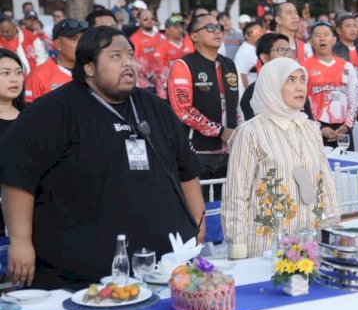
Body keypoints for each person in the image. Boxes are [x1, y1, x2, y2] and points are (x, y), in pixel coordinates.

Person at [1, 27, 205, 288]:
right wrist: (20, 241)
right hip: (78, 278)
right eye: (116, 56)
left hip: (164, 270)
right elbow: (18, 177)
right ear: (89, 67)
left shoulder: (155, 108)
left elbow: (187, 170)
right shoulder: (54, 110)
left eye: (130, 55)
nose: (128, 63)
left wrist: (198, 223)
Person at [222, 58, 339, 259]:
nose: (299, 87)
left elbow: (326, 184)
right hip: (266, 248)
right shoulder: (250, 132)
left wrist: (333, 231)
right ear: (272, 85)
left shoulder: (310, 128)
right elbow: (236, 195)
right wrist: (237, 250)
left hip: (310, 243)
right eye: (290, 80)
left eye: (302, 80)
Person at [168, 13, 241, 182]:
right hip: (198, 153)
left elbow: (236, 106)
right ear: (194, 36)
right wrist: (220, 131)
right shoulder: (183, 65)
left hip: (230, 152)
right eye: (210, 28)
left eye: (219, 27)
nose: (217, 31)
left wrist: (241, 133)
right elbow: (183, 109)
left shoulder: (229, 64)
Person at [306, 21, 358, 147]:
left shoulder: (347, 66)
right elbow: (302, 104)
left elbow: (355, 98)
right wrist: (319, 128)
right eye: (317, 35)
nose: (322, 38)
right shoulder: (303, 68)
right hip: (315, 129)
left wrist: (347, 126)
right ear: (311, 41)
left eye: (326, 34)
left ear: (334, 39)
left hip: (343, 130)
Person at [240, 33, 301, 120]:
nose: (288, 55)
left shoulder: (298, 88)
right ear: (265, 58)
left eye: (289, 50)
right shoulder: (253, 92)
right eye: (281, 50)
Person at [24, 18, 87, 103]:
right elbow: (29, 109)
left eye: (83, 38)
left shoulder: (93, 71)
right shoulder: (38, 75)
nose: (81, 43)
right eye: (74, 39)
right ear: (58, 44)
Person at [333, 13, 358, 121]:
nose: (353, 29)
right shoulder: (333, 51)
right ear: (339, 30)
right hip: (340, 108)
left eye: (355, 26)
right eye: (348, 26)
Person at [128, 9, 165, 96]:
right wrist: (150, 76)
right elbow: (135, 61)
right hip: (145, 85)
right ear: (138, 21)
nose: (150, 21)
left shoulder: (162, 37)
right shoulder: (134, 39)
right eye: (146, 19)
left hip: (163, 82)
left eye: (152, 18)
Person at [233, 21, 265, 90]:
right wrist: (246, 93)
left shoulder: (258, 48)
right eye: (256, 32)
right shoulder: (243, 52)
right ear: (247, 36)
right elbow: (241, 76)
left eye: (261, 31)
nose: (260, 34)